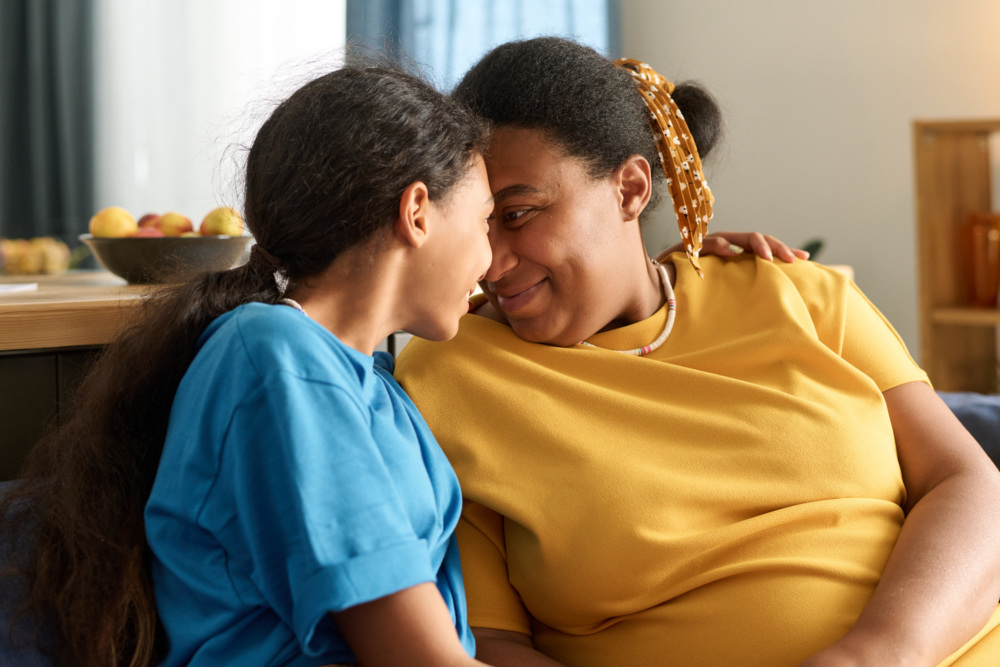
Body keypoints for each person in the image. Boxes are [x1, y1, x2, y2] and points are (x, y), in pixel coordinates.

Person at [393, 37, 1000, 666]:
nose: (492, 259)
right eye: (478, 220)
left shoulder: (798, 293)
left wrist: (875, 654)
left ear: (630, 189)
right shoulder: (453, 377)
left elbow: (969, 481)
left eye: (518, 214)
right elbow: (486, 641)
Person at [0, 62, 499, 667]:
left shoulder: (367, 383)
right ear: (417, 211)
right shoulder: (278, 360)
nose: (491, 259)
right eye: (486, 221)